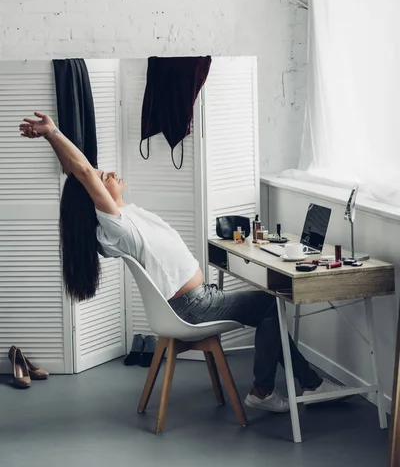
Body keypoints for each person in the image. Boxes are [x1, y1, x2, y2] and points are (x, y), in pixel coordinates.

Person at [20, 112, 347, 413]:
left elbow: (78, 171)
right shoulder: (116, 225)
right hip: (193, 307)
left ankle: (309, 382)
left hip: (194, 301)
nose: (110, 172)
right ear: (94, 199)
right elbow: (82, 171)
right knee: (270, 304)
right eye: (103, 176)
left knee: (267, 305)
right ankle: (266, 391)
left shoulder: (123, 218)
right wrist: (52, 133)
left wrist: (62, 150)